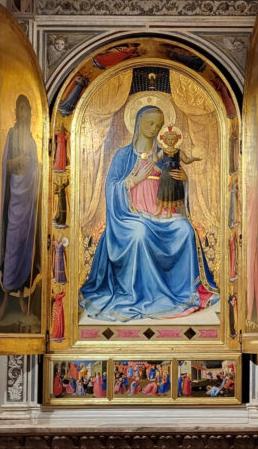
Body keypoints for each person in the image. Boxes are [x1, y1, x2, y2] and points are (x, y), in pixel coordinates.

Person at [79, 105, 218, 321]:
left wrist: (183, 180)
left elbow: (174, 183)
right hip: (130, 217)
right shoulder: (123, 156)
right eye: (150, 123)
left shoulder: (163, 155)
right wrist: (134, 180)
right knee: (139, 234)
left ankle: (183, 291)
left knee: (185, 230)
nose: (154, 128)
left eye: (158, 124)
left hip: (162, 215)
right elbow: (111, 188)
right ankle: (139, 294)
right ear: (138, 123)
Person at [0, 94, 40, 297]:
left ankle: (22, 292)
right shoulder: (11, 134)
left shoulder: (31, 139)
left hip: (28, 199)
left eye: (27, 109)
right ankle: (7, 290)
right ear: (16, 111)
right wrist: (19, 160)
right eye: (21, 108)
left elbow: (37, 166)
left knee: (25, 243)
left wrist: (36, 168)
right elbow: (4, 165)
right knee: (13, 242)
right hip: (15, 196)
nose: (24, 113)